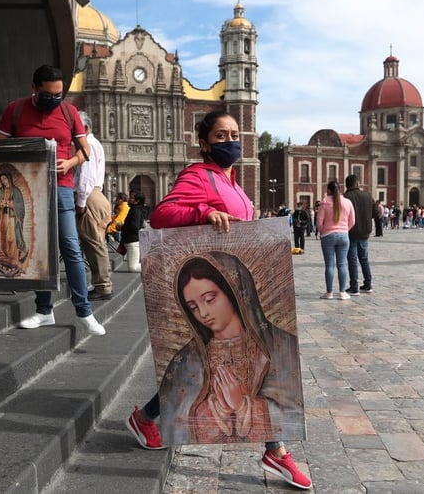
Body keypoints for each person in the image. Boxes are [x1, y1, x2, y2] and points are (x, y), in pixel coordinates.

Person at [124, 110, 312, 490]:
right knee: (192, 372)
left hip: (233, 281)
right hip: (205, 269)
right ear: (204, 142)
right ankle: (275, 450)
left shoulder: (234, 180)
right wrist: (204, 211)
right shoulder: (198, 175)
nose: (230, 141)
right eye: (221, 136)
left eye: (234, 134)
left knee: (251, 365)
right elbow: (162, 215)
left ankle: (145, 417)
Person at [0, 64, 105, 335]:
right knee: (37, 250)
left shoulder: (68, 112)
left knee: (70, 246)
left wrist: (70, 163)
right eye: (49, 94)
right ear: (34, 88)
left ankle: (84, 311)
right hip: (28, 189)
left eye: (59, 94)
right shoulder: (16, 109)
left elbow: (85, 151)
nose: (54, 99)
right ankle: (44, 310)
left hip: (61, 187)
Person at [158, 254, 303, 445]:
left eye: (209, 299)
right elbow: (176, 421)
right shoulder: (185, 362)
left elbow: (294, 414)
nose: (203, 313)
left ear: (234, 292)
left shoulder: (282, 347)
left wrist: (244, 407)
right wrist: (217, 411)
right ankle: (142, 419)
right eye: (193, 307)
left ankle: (276, 452)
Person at [74, 111, 113, 300]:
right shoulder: (95, 144)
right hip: (96, 195)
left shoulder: (87, 144)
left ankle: (103, 286)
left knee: (95, 243)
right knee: (95, 243)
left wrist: (80, 202)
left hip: (90, 196)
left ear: (86, 128)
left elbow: (85, 177)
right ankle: (101, 284)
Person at [316, 180, 355, 300]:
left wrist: (323, 232)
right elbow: (352, 221)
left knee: (329, 265)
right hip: (343, 235)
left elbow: (319, 221)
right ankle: (342, 292)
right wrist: (345, 230)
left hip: (328, 235)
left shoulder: (324, 202)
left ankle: (329, 292)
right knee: (342, 264)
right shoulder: (348, 202)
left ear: (328, 190)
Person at [0, 171, 28, 277]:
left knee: (11, 238)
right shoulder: (0, 192)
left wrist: (13, 205)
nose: (4, 182)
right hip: (2, 218)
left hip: (12, 218)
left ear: (9, 179)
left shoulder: (16, 191)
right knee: (2, 238)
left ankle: (13, 258)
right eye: (2, 180)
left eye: (5, 179)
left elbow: (21, 207)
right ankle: (3, 257)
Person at [343, 175, 373, 296]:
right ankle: (368, 284)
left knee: (352, 260)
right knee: (364, 259)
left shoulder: (345, 197)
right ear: (357, 183)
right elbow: (376, 213)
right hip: (365, 232)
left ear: (347, 185)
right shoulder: (368, 196)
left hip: (351, 232)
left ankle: (354, 286)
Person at [119, 190, 148, 272]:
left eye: (131, 198)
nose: (129, 199)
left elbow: (135, 227)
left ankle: (154, 268)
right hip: (132, 240)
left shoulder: (136, 211)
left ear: (137, 201)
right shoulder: (135, 210)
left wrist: (122, 227)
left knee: (133, 267)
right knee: (133, 265)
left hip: (133, 241)